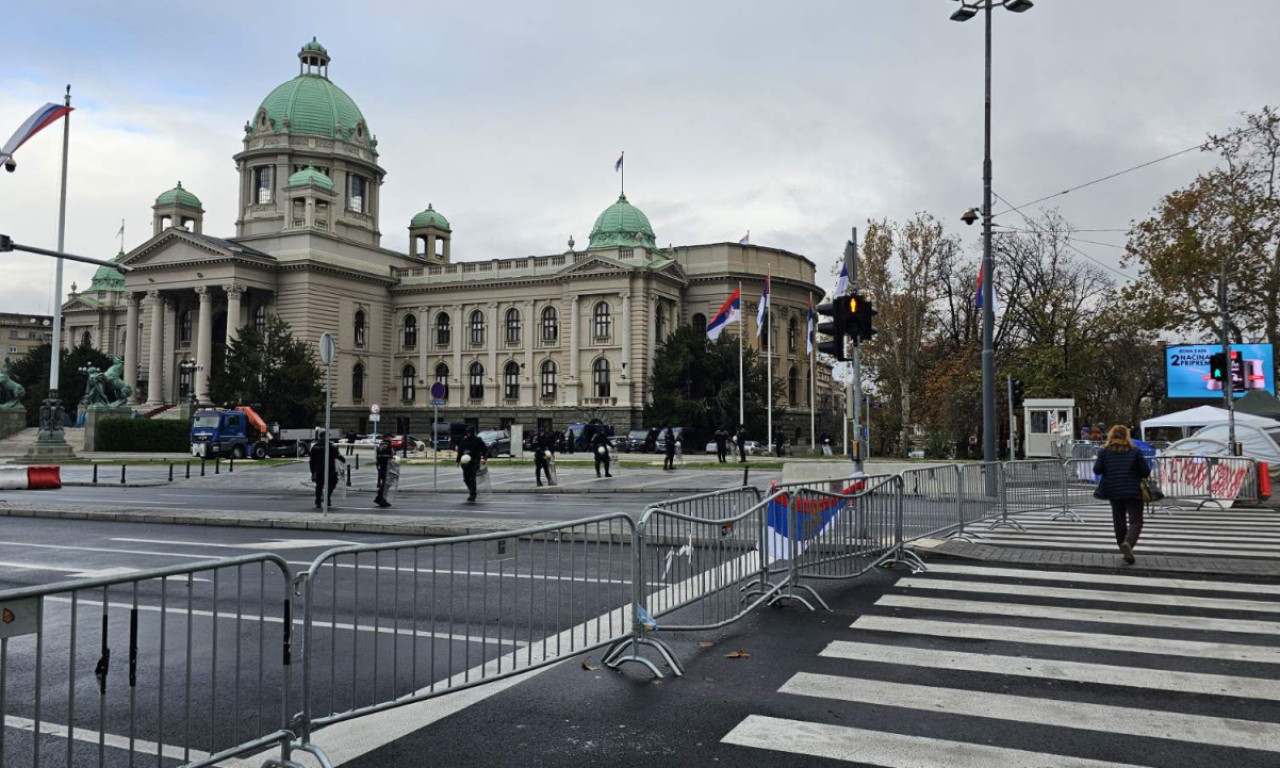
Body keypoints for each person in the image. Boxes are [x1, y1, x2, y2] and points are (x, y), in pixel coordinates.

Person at [1092, 424, 1150, 565]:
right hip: (1133, 491)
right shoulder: (1135, 451)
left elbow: (1097, 470)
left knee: (1119, 520)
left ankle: (1122, 545)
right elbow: (1145, 471)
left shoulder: (1104, 452)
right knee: (1136, 520)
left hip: (1113, 490)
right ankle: (1128, 543)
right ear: (1127, 436)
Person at [308, 431, 346, 509]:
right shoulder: (331, 446)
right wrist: (343, 459)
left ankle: (318, 501)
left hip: (319, 469)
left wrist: (313, 472)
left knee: (319, 485)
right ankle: (326, 497)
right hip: (330, 469)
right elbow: (337, 455)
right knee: (332, 483)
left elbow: (311, 461)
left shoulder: (315, 447)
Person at [455, 426, 489, 502]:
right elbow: (460, 451)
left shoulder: (478, 441)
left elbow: (485, 450)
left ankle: (472, 494)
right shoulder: (464, 441)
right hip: (465, 463)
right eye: (467, 433)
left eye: (470, 433)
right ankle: (472, 491)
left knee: (472, 478)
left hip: (474, 462)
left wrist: (484, 458)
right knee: (466, 479)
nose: (468, 434)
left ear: (473, 433)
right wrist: (457, 461)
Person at [373, 437, 394, 508]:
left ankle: (379, 498)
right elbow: (388, 456)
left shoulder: (381, 446)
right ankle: (381, 500)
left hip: (382, 467)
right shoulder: (386, 446)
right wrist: (391, 458)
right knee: (386, 485)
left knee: (385, 484)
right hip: (386, 468)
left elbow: (378, 457)